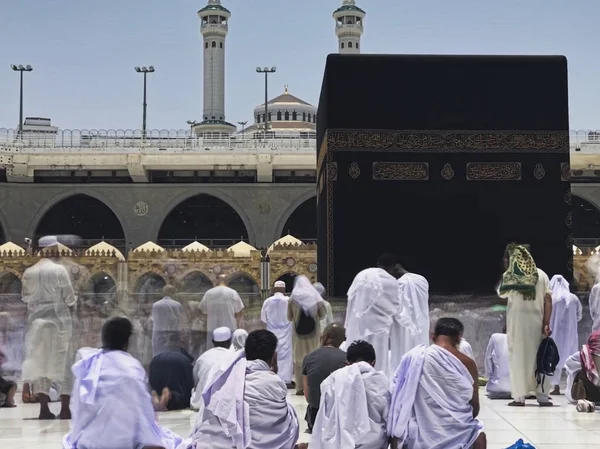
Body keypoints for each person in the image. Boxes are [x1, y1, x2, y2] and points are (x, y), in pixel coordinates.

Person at [63, 317, 182, 449]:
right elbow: (143, 413)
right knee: (159, 439)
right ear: (127, 342)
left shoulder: (88, 364)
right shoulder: (131, 367)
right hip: (124, 442)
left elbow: (77, 408)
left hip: (89, 441)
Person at [184, 329, 299, 449]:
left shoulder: (224, 376)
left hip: (214, 443)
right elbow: (283, 424)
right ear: (274, 356)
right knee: (291, 414)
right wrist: (273, 373)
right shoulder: (273, 382)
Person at [388, 318, 486, 449]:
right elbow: (475, 409)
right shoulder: (468, 363)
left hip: (420, 439)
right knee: (479, 434)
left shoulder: (416, 359)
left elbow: (399, 400)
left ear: (432, 337)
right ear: (458, 338)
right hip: (459, 436)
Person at [21, 236, 77, 420]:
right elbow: (70, 298)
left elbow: (25, 299)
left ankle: (44, 409)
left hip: (36, 325)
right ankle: (65, 409)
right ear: (54, 250)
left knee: (41, 364)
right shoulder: (59, 270)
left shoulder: (29, 272)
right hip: (59, 324)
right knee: (63, 364)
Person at [309, 340, 391, 449]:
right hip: (374, 445)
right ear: (373, 363)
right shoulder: (382, 382)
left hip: (337, 444)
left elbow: (323, 419)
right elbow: (390, 421)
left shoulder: (332, 380)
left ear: (347, 363)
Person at [499, 243, 553, 407]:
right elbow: (548, 300)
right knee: (540, 359)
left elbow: (503, 296)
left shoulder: (511, 276)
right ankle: (542, 397)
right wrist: (546, 323)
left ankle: (519, 397)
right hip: (537, 324)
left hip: (517, 326)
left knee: (518, 359)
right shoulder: (542, 275)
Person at [345, 254, 406, 376]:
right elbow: (395, 307)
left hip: (356, 327)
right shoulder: (390, 281)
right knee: (377, 366)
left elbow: (351, 297)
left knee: (354, 364)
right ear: (393, 267)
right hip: (378, 331)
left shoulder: (361, 275)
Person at [301, 323, 347, 432]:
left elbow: (308, 397)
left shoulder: (308, 358)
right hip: (340, 419)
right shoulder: (347, 358)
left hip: (316, 419)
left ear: (324, 336)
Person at [288, 276, 327, 395]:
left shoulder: (293, 298)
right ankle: (313, 385)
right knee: (313, 358)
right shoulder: (315, 297)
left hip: (298, 336)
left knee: (299, 360)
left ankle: (300, 388)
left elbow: (289, 317)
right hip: (313, 334)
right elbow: (323, 315)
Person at [390, 268, 429, 375]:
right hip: (421, 325)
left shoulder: (399, 284)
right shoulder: (422, 280)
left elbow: (397, 308)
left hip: (402, 328)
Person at [548, 274, 583, 395]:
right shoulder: (573, 298)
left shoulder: (552, 299)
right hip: (570, 334)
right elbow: (579, 316)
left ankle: (556, 387)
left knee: (555, 360)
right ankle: (573, 386)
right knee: (571, 360)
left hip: (555, 334)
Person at [190, 327, 235, 413]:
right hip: (227, 402)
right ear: (229, 342)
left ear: (213, 342)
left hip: (202, 401)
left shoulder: (203, 357)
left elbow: (195, 380)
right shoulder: (233, 357)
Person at [261, 280, 293, 386]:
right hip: (287, 332)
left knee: (273, 354)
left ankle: (273, 378)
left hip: (272, 332)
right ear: (284, 289)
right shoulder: (288, 300)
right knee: (286, 356)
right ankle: (286, 380)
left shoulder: (267, 301)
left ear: (274, 289)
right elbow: (293, 317)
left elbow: (263, 318)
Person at [199, 277, 245, 349]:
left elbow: (203, 313)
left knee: (213, 353)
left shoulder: (208, 293)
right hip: (230, 329)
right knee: (230, 353)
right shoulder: (232, 292)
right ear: (227, 282)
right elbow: (239, 313)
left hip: (212, 329)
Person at [564, 331, 600, 412]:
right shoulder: (582, 355)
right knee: (582, 373)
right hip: (585, 390)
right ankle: (583, 399)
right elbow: (569, 364)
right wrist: (586, 367)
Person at [151, 285, 185, 357]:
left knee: (158, 354)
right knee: (173, 355)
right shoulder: (177, 304)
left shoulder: (155, 305)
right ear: (173, 292)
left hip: (158, 333)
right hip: (173, 333)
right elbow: (181, 319)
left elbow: (153, 318)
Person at [484, 327, 511, 399]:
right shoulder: (523, 340)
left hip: (496, 387)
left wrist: (490, 376)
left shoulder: (495, 337)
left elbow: (488, 358)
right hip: (520, 390)